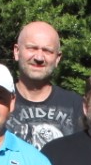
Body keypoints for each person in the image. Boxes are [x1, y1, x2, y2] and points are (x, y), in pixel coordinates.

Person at [5, 20, 82, 149]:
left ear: (57, 58)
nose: (39, 58)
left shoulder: (76, 106)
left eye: (47, 51)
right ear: (16, 51)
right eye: (32, 48)